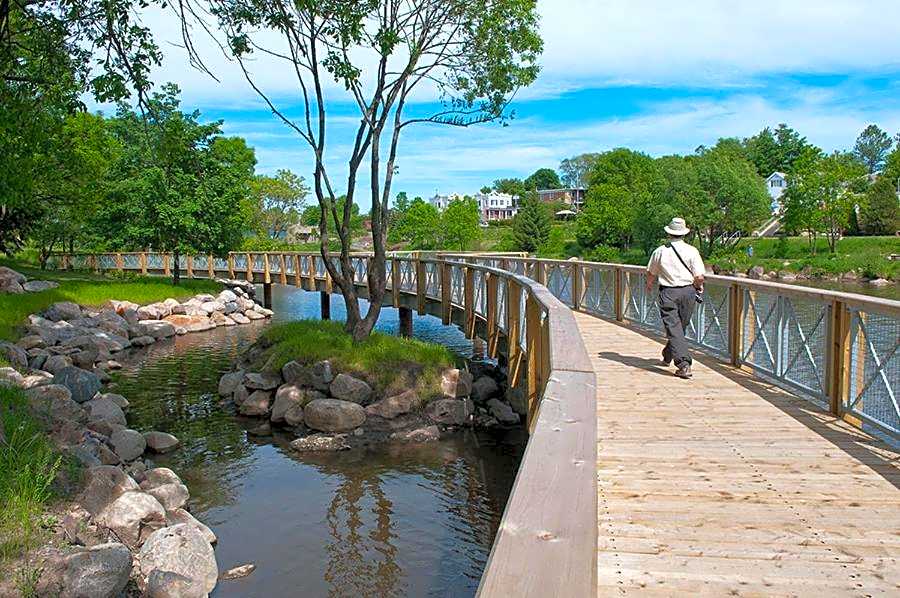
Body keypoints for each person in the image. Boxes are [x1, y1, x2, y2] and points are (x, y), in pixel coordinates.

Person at [645, 217, 706, 379]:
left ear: (669, 233)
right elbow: (699, 276)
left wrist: (649, 285)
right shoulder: (692, 251)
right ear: (684, 233)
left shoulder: (660, 251)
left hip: (668, 292)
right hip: (688, 292)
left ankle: (673, 357)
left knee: (675, 327)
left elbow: (651, 272)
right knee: (679, 326)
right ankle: (682, 362)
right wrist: (698, 286)